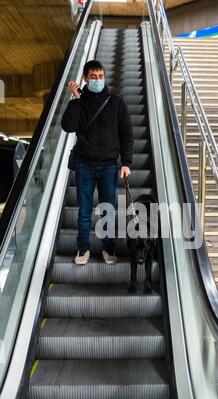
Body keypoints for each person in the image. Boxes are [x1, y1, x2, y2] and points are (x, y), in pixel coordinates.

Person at [61, 60, 133, 265]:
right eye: (93, 77)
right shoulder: (79, 102)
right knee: (84, 211)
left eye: (100, 76)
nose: (98, 80)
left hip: (110, 165)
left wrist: (126, 162)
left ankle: (108, 249)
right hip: (85, 164)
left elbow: (126, 134)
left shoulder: (116, 102)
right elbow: (68, 126)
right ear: (85, 78)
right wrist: (75, 99)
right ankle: (83, 249)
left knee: (107, 210)